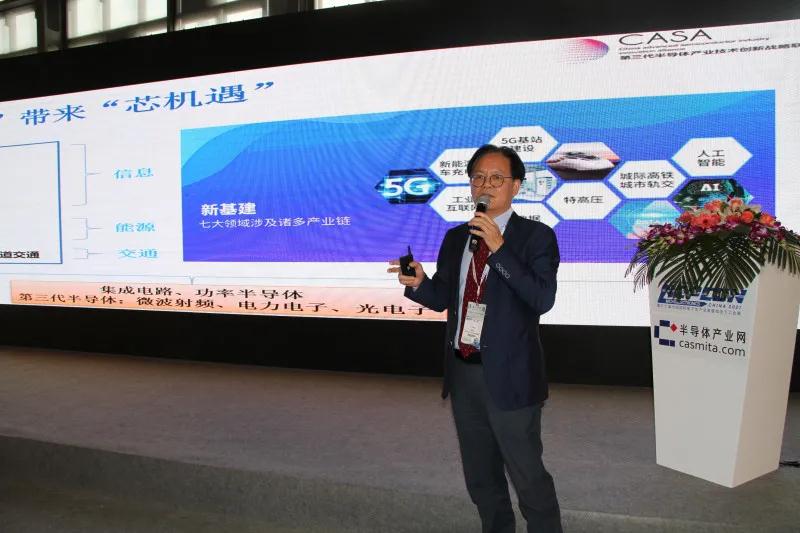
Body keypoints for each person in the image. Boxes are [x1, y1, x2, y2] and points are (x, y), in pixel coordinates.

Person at [388, 144, 562, 532]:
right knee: (481, 477)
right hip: (464, 373)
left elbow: (541, 299)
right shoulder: (457, 239)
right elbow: (442, 297)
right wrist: (419, 283)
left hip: (511, 376)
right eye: (478, 177)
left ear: (516, 186)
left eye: (497, 178)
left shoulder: (536, 237)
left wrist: (499, 248)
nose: (486, 185)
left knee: (528, 476)